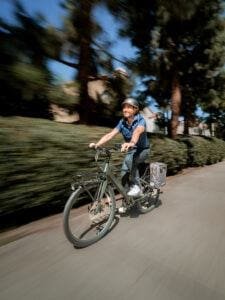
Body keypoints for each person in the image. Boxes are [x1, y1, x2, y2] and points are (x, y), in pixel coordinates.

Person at [89, 98, 150, 210]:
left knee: (131, 161)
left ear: (135, 109)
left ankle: (137, 186)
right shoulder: (122, 122)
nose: (125, 109)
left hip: (143, 150)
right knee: (123, 177)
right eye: (124, 107)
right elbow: (110, 134)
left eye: (128, 107)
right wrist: (97, 145)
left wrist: (131, 143)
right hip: (131, 151)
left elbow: (137, 131)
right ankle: (127, 202)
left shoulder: (141, 120)